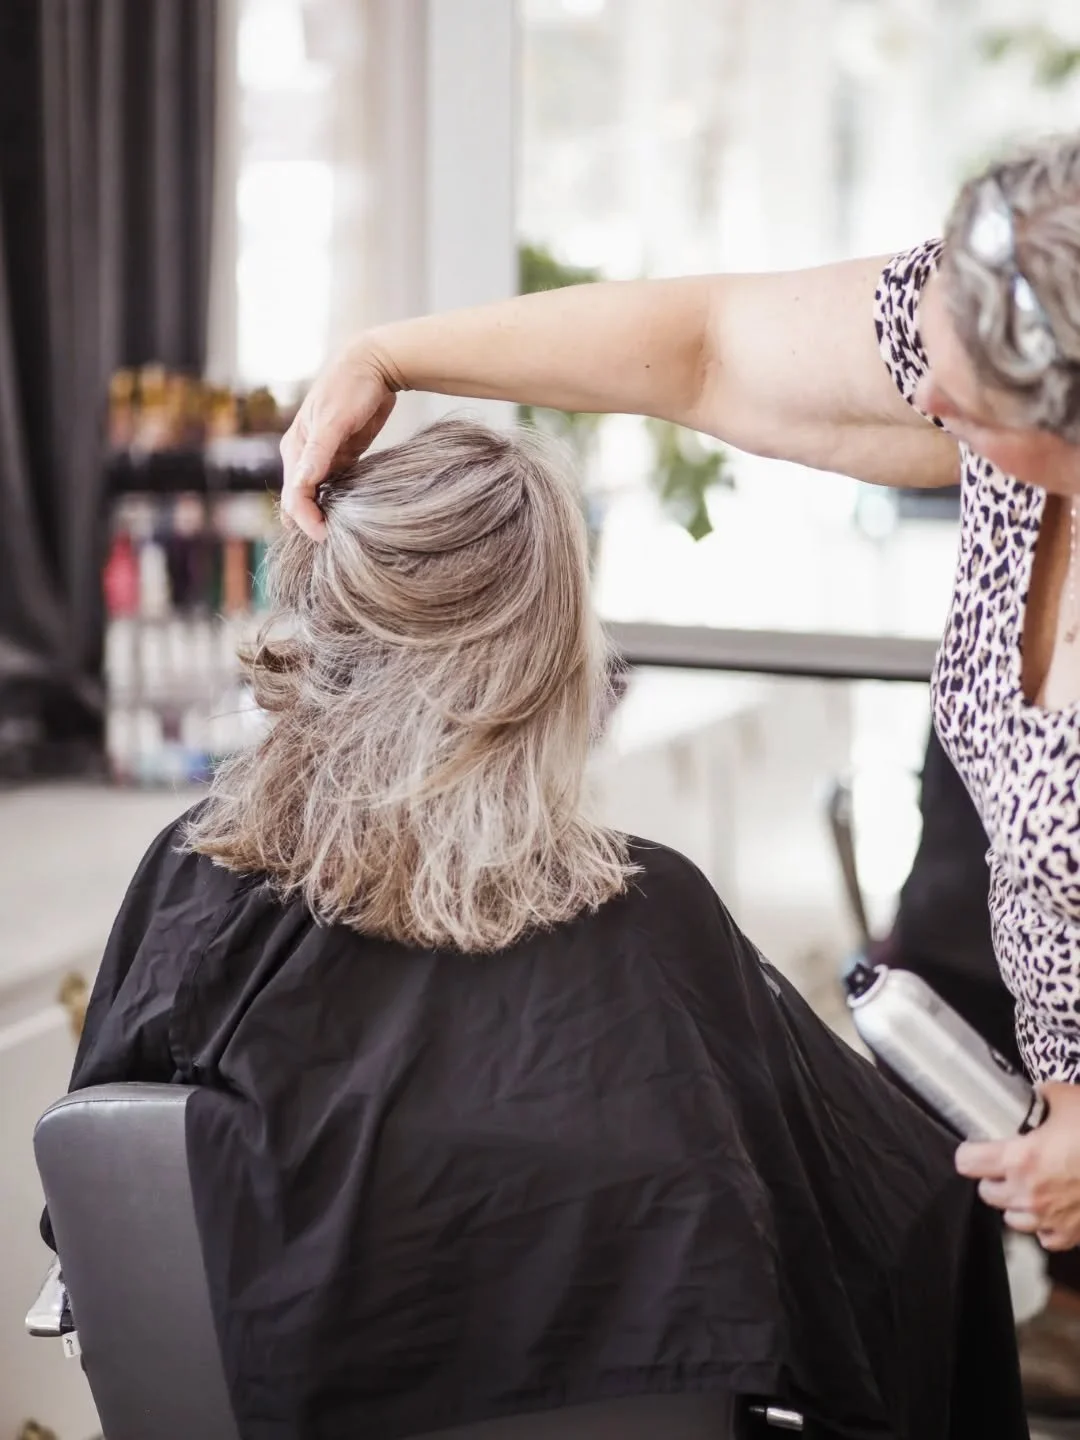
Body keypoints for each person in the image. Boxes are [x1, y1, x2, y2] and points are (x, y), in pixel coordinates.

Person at [49, 419, 1022, 1439]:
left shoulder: (196, 882)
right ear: (551, 660)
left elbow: (101, 1214)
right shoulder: (659, 915)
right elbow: (892, 1217)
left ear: (333, 620)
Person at [282, 132, 1080, 1253]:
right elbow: (709, 348)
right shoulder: (976, 337)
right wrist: (392, 355)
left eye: (967, 398)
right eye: (925, 346)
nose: (925, 395)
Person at [881, 725, 1080, 1416]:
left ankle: (1066, 1309)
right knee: (931, 1171)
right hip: (948, 918)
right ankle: (950, 1320)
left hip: (1041, 949)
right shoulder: (986, 620)